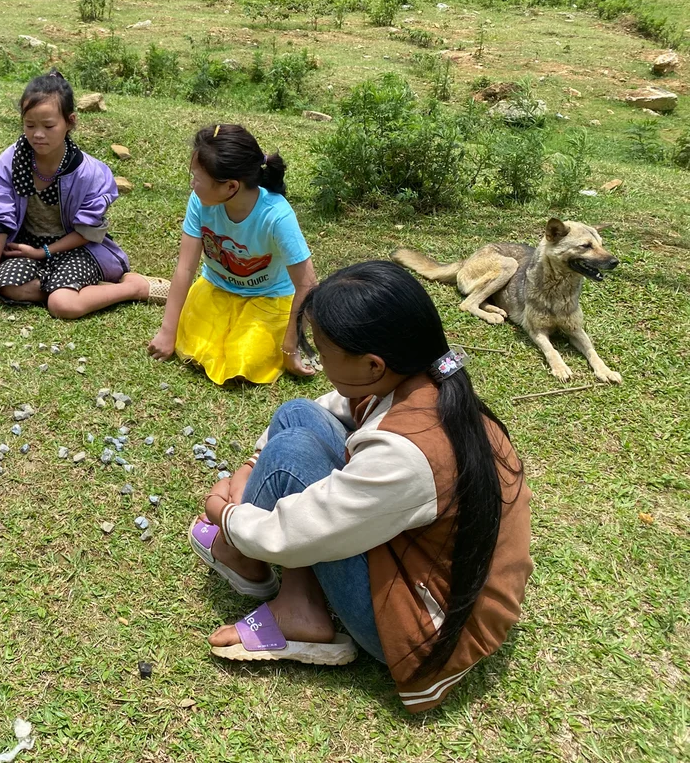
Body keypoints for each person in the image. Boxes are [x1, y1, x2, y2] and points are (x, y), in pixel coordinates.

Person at [190, 261, 532, 712]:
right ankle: (297, 600)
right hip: (428, 569)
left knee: (292, 453)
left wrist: (227, 515)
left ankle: (261, 578)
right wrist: (252, 468)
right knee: (297, 416)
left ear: (373, 365)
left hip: (428, 629)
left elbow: (292, 535)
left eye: (323, 353)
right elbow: (326, 405)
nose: (317, 361)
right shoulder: (425, 380)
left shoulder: (404, 455)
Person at [0, 70, 169, 319]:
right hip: (26, 244)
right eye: (29, 125)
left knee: (63, 306)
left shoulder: (90, 173)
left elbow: (87, 232)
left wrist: (43, 253)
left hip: (77, 248)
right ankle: (77, 289)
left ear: (70, 122)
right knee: (9, 288)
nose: (37, 134)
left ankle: (133, 288)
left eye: (48, 126)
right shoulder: (9, 162)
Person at [148, 124, 317, 384]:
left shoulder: (277, 215)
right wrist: (167, 332)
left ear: (230, 187)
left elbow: (307, 285)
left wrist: (290, 347)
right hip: (215, 290)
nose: (193, 184)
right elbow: (185, 268)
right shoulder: (200, 201)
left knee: (246, 358)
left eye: (198, 178)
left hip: (269, 299)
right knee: (197, 344)